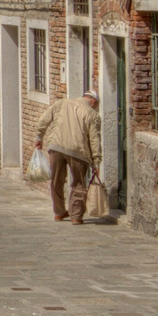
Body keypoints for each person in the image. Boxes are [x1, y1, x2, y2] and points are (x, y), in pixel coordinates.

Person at [34, 91, 102, 224]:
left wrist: (39, 137)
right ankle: (76, 216)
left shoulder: (62, 103)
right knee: (78, 183)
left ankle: (59, 213)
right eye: (96, 105)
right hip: (79, 152)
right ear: (93, 102)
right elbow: (95, 140)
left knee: (56, 180)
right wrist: (96, 161)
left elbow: (44, 119)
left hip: (56, 147)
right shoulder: (93, 114)